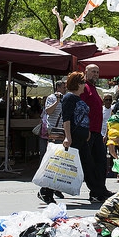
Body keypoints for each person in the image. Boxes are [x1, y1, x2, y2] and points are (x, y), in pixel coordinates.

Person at [62, 71, 108, 202]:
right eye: (82, 82)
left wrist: (87, 131)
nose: (84, 85)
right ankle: (46, 190)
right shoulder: (69, 98)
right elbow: (67, 119)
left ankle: (97, 192)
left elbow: (83, 118)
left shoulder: (77, 98)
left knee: (88, 165)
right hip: (74, 137)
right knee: (66, 165)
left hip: (83, 137)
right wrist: (67, 137)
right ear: (77, 84)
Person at [79, 64, 112, 202]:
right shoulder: (84, 88)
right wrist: (85, 130)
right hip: (89, 132)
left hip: (97, 132)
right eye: (93, 71)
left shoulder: (93, 88)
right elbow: (81, 110)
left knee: (101, 162)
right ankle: (96, 191)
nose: (96, 74)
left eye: (97, 72)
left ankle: (100, 189)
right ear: (86, 72)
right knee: (89, 164)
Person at [37, 81, 67, 204]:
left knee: (60, 161)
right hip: (54, 131)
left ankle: (54, 188)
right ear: (58, 87)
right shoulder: (51, 98)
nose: (65, 88)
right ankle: (46, 189)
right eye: (64, 86)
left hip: (63, 130)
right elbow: (48, 111)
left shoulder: (66, 97)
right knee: (54, 160)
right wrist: (57, 101)